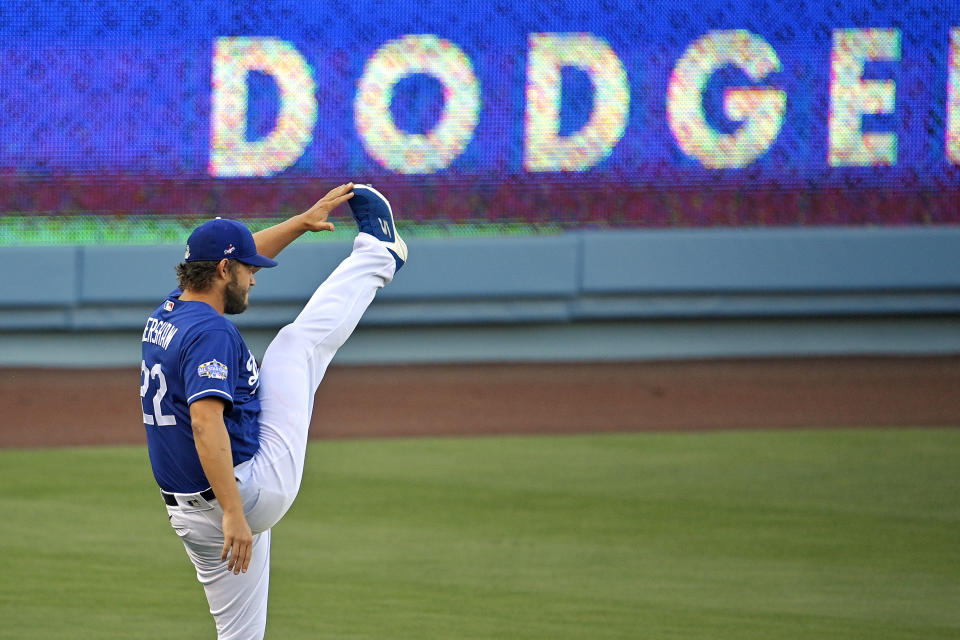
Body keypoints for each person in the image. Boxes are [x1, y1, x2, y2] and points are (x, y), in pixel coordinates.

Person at [139, 183, 406, 639]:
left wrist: (302, 223)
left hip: (189, 516)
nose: (255, 277)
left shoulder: (169, 312)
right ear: (224, 270)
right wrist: (234, 513)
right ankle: (381, 253)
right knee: (294, 346)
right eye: (248, 270)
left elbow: (240, 252)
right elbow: (205, 424)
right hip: (247, 491)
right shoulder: (211, 333)